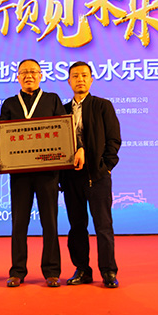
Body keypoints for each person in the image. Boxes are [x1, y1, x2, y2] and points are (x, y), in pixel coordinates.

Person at [0, 59, 66, 288]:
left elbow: (65, 129)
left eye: (33, 72)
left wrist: (76, 150)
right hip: (20, 173)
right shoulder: (10, 104)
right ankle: (17, 271)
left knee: (50, 223)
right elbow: (1, 133)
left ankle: (52, 271)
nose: (29, 76)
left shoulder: (52, 100)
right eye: (24, 72)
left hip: (48, 172)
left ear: (41, 75)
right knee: (19, 223)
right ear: (18, 76)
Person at [59, 61, 121, 288]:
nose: (80, 80)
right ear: (69, 81)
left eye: (84, 75)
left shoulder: (102, 106)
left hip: (98, 175)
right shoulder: (62, 110)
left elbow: (114, 139)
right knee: (77, 226)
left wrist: (106, 166)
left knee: (103, 226)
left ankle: (108, 271)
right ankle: (82, 269)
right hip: (71, 177)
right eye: (75, 76)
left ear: (91, 79)